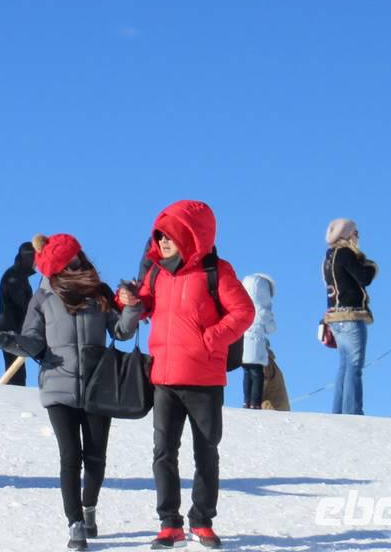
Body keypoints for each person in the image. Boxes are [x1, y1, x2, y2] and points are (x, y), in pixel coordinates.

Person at [114, 200, 254, 550]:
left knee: (206, 452)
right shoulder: (158, 273)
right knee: (163, 452)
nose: (162, 242)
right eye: (159, 236)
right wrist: (127, 298)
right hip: (163, 377)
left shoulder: (216, 272)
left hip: (204, 380)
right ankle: (169, 523)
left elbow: (244, 312)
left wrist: (212, 339)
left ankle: (202, 521)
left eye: (170, 236)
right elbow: (142, 304)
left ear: (190, 236)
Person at [0, 234, 126, 551]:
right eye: (65, 264)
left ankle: (89, 508)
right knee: (70, 457)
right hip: (58, 385)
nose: (70, 268)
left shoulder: (98, 292)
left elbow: (121, 330)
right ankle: (75, 523)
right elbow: (33, 341)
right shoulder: (43, 297)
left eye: (74, 261)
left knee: (96, 458)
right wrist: (9, 341)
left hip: (97, 387)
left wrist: (131, 307)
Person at [322, 219, 377, 416]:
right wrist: (371, 266)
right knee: (355, 366)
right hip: (351, 315)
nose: (358, 236)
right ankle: (353, 411)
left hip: (335, 317)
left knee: (344, 366)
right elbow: (363, 278)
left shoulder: (329, 257)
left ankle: (339, 410)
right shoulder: (346, 254)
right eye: (356, 232)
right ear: (347, 235)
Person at [0, 240, 36, 386]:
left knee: (18, 372)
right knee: (16, 375)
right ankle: (14, 400)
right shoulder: (14, 277)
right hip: (10, 330)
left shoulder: (19, 276)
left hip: (15, 329)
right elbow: (24, 305)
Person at [238, 273, 276, 410]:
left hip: (242, 345)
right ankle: (255, 402)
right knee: (257, 374)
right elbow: (271, 328)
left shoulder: (242, 306)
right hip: (256, 346)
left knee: (247, 373)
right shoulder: (262, 311)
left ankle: (246, 401)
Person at [260, 347, 290, 412]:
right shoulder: (272, 363)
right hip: (280, 407)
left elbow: (263, 382)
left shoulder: (266, 361)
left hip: (272, 407)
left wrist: (252, 402)